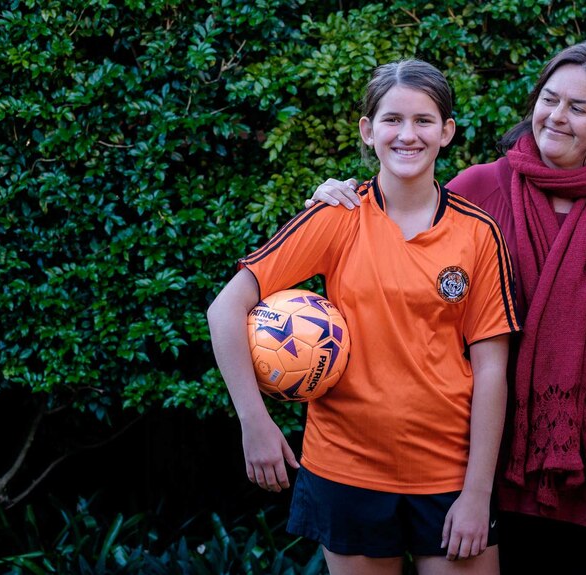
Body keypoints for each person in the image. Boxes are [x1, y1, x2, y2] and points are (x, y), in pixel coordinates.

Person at [306, 41, 586, 575]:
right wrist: (339, 197)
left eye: (579, 107)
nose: (557, 117)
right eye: (549, 100)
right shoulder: (481, 188)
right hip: (505, 464)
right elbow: (401, 239)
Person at [207, 59, 521, 575]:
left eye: (423, 121)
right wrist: (254, 422)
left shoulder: (477, 233)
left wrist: (477, 491)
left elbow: (491, 369)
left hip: (448, 473)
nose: (407, 135)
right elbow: (226, 308)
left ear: (446, 132)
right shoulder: (337, 215)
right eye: (392, 120)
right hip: (346, 467)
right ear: (367, 131)